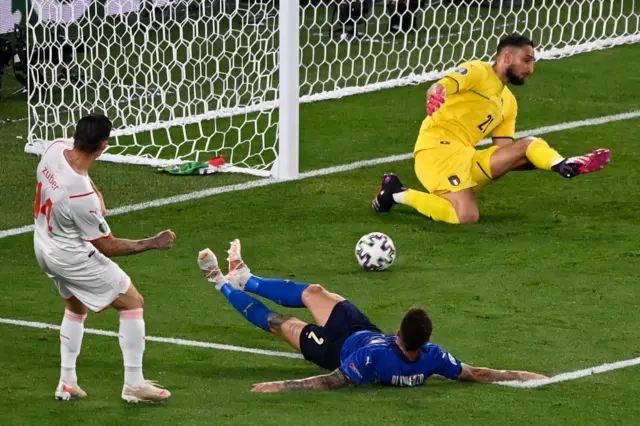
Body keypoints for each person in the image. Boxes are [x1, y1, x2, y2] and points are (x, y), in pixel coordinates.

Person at [197, 239, 548, 392]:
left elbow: (328, 381)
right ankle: (245, 278)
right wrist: (523, 375)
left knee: (281, 324)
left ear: (400, 332)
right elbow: (478, 373)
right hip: (360, 329)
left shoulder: (373, 358)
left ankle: (219, 283)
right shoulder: (433, 358)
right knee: (315, 292)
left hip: (333, 350)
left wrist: (280, 385)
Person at [372, 33, 611, 224]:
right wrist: (435, 93)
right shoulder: (478, 71)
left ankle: (562, 164)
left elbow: (504, 151)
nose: (530, 69)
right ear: (507, 58)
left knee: (527, 145)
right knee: (465, 216)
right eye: (526, 61)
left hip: (466, 155)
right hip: (436, 151)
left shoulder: (509, 103)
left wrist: (534, 160)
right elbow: (443, 85)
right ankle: (395, 192)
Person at [33, 114, 175, 403]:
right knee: (132, 300)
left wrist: (95, 191)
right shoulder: (80, 197)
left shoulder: (54, 148)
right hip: (70, 255)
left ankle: (67, 381)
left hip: (43, 245)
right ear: (104, 145)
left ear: (74, 134)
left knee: (76, 305)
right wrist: (152, 243)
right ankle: (134, 383)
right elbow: (107, 245)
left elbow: (79, 174)